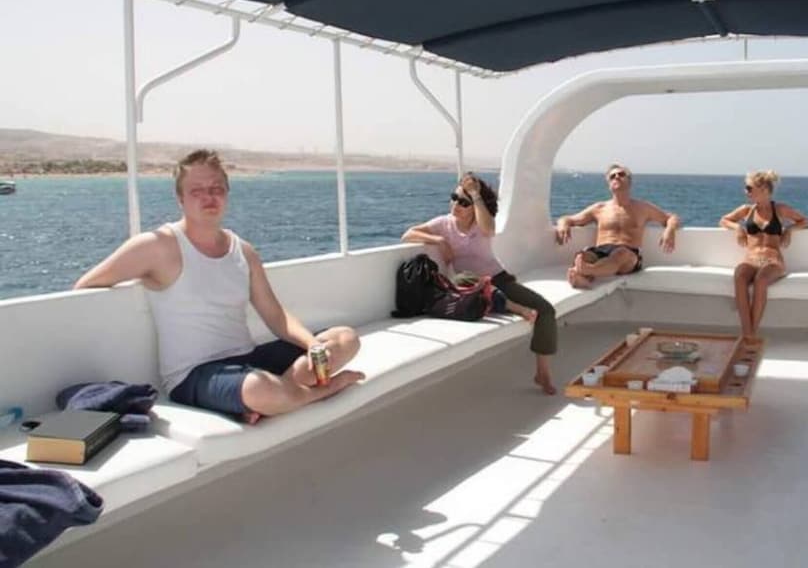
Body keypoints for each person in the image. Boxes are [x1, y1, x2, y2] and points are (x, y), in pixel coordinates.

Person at [74, 149, 364, 424]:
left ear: (226, 194)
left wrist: (313, 345)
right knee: (260, 389)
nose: (208, 197)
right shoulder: (157, 246)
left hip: (247, 361)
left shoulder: (243, 251)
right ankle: (317, 391)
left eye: (216, 189)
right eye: (196, 191)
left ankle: (278, 397)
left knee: (344, 338)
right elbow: (86, 285)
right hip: (193, 375)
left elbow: (276, 316)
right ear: (180, 199)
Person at [402, 173, 559, 395]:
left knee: (546, 310)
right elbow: (407, 235)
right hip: (469, 284)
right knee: (461, 278)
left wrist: (475, 194)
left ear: (475, 205)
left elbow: (490, 230)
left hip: (499, 279)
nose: (456, 205)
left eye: (463, 202)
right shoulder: (443, 224)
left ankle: (542, 372)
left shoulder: (481, 223)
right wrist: (439, 240)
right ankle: (510, 306)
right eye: (454, 198)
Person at [555, 163, 681, 288]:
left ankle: (586, 271)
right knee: (582, 256)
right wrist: (562, 224)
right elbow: (568, 219)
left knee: (620, 254)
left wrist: (670, 231)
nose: (617, 177)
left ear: (629, 181)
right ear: (609, 185)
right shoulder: (599, 208)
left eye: (621, 174)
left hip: (628, 255)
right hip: (601, 251)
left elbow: (671, 218)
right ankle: (583, 276)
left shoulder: (643, 208)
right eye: (612, 176)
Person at [719, 170, 808, 339]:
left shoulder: (780, 209)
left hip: (773, 261)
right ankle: (748, 334)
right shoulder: (746, 210)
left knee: (761, 280)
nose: (745, 191)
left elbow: (805, 221)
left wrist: (789, 230)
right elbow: (724, 220)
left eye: (749, 188)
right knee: (739, 275)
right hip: (751, 260)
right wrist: (738, 227)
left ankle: (749, 336)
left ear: (763, 189)